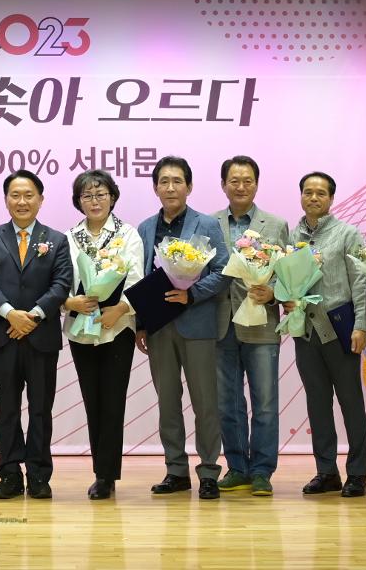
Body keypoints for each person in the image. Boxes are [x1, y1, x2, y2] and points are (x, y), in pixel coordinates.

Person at [0, 169, 72, 500]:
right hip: (4, 335)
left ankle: (39, 474)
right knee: (8, 408)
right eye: (15, 195)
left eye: (29, 195)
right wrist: (10, 314)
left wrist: (33, 315)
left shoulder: (56, 240)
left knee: (41, 408)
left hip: (41, 336)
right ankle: (10, 474)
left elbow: (61, 284)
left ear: (40, 199)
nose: (22, 201)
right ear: (6, 200)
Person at [136, 156, 229, 501]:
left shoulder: (207, 224)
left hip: (198, 324)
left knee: (205, 402)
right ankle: (175, 470)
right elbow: (140, 277)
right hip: (158, 328)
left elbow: (224, 271)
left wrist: (192, 294)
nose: (170, 187)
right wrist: (141, 324)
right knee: (167, 403)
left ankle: (209, 471)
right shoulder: (145, 227)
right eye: (164, 181)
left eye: (177, 181)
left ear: (189, 187)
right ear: (155, 188)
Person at [286, 171, 366, 498]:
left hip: (340, 327)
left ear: (331, 198)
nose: (314, 198)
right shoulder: (292, 237)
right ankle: (327, 472)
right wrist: (285, 297)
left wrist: (362, 325)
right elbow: (284, 279)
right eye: (308, 192)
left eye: (321, 193)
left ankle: (358, 473)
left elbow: (361, 282)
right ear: (301, 196)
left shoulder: (348, 234)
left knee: (351, 401)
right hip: (306, 329)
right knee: (317, 403)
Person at [62, 169, 144, 500]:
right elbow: (62, 278)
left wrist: (119, 309)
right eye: (87, 195)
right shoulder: (69, 237)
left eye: (101, 194)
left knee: (112, 401)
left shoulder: (128, 234)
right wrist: (70, 302)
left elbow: (137, 278)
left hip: (116, 327)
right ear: (78, 201)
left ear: (112, 197)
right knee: (92, 400)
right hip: (80, 327)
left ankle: (106, 475)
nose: (94, 201)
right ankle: (100, 469)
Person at [212, 156, 289, 497]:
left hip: (261, 322)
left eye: (247, 181)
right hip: (220, 324)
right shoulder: (210, 223)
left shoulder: (276, 224)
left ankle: (261, 470)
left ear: (256, 184)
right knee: (227, 403)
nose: (240, 186)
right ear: (223, 185)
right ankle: (237, 467)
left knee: (265, 402)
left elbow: (289, 273)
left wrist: (274, 293)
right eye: (234, 180)